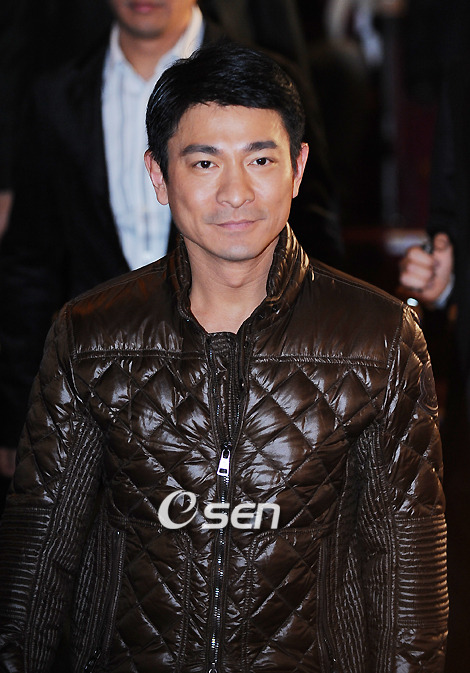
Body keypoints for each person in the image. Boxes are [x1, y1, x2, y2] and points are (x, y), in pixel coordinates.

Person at [0, 43, 447, 672]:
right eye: (205, 162)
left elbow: (406, 579)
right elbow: (37, 566)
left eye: (260, 160)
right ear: (159, 175)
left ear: (298, 168)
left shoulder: (378, 339)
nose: (235, 193)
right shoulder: (89, 335)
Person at [0, 0, 341, 491]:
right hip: (99, 400)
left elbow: (314, 232)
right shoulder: (55, 94)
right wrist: (18, 414)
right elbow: (28, 266)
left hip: (254, 396)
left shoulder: (268, 80)